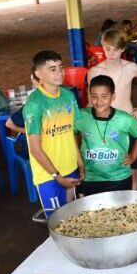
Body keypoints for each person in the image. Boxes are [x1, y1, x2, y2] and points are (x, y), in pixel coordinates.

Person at [88, 29, 137, 189]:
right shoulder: (95, 71)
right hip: (104, 124)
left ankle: (133, 197)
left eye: (116, 50)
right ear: (103, 47)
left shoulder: (130, 67)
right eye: (108, 49)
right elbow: (91, 100)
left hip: (127, 122)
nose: (111, 53)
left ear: (123, 49)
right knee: (108, 164)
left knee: (132, 165)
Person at [23, 51, 83, 214]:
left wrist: (79, 161)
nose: (59, 73)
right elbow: (35, 149)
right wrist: (58, 177)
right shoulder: (34, 105)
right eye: (52, 69)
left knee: (74, 217)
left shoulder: (68, 96)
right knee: (58, 222)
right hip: (49, 175)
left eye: (60, 67)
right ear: (38, 73)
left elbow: (70, 133)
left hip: (70, 167)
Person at [76, 76, 137, 197]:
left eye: (104, 96)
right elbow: (71, 133)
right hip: (91, 179)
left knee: (121, 212)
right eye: (94, 96)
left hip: (119, 178)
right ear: (89, 96)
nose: (99, 101)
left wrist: (133, 156)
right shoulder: (81, 116)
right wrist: (78, 158)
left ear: (113, 96)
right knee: (93, 213)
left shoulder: (125, 119)